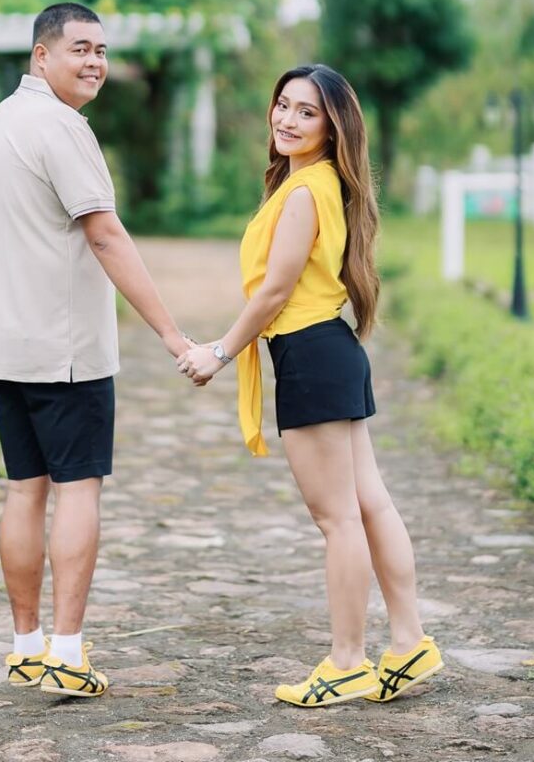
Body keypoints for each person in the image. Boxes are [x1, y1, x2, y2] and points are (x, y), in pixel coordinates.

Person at [177, 64, 443, 707]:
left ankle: (348, 662)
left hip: (310, 354)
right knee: (369, 504)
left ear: (333, 127)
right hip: (331, 350)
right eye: (283, 105)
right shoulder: (320, 183)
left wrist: (218, 351)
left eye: (307, 112)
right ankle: (408, 642)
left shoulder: (304, 192)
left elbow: (274, 290)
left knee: (339, 518)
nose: (288, 119)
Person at [0, 2, 190, 699]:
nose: (94, 62)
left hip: (6, 344)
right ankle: (65, 653)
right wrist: (171, 333)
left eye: (101, 50)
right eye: (79, 49)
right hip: (62, 349)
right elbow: (105, 234)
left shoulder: (2, 119)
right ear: (42, 55)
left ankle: (25, 647)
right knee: (77, 490)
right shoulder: (61, 127)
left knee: (24, 490)